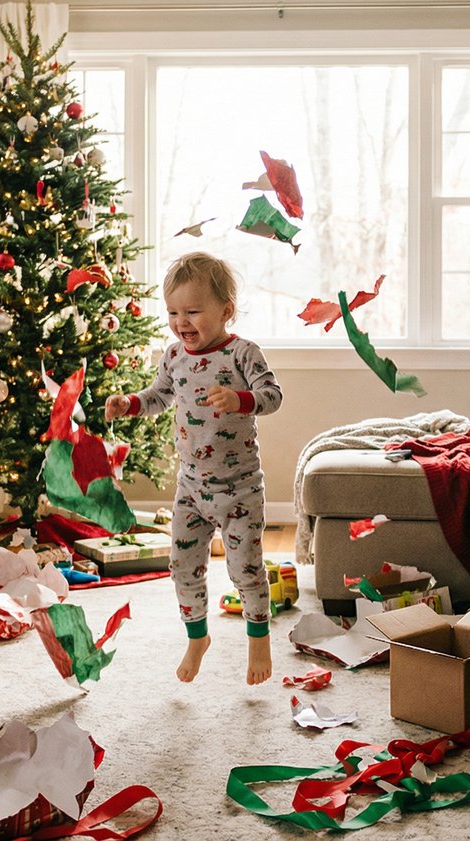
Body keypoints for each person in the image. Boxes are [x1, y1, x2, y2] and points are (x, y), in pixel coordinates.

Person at [104, 251, 283, 685]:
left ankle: (258, 637)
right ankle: (197, 635)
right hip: (191, 488)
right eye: (173, 312)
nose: (181, 322)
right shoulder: (173, 356)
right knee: (182, 565)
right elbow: (159, 396)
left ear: (225, 311)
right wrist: (129, 404)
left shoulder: (243, 353)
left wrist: (239, 399)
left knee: (245, 568)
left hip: (239, 490)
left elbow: (272, 395)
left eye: (192, 311)